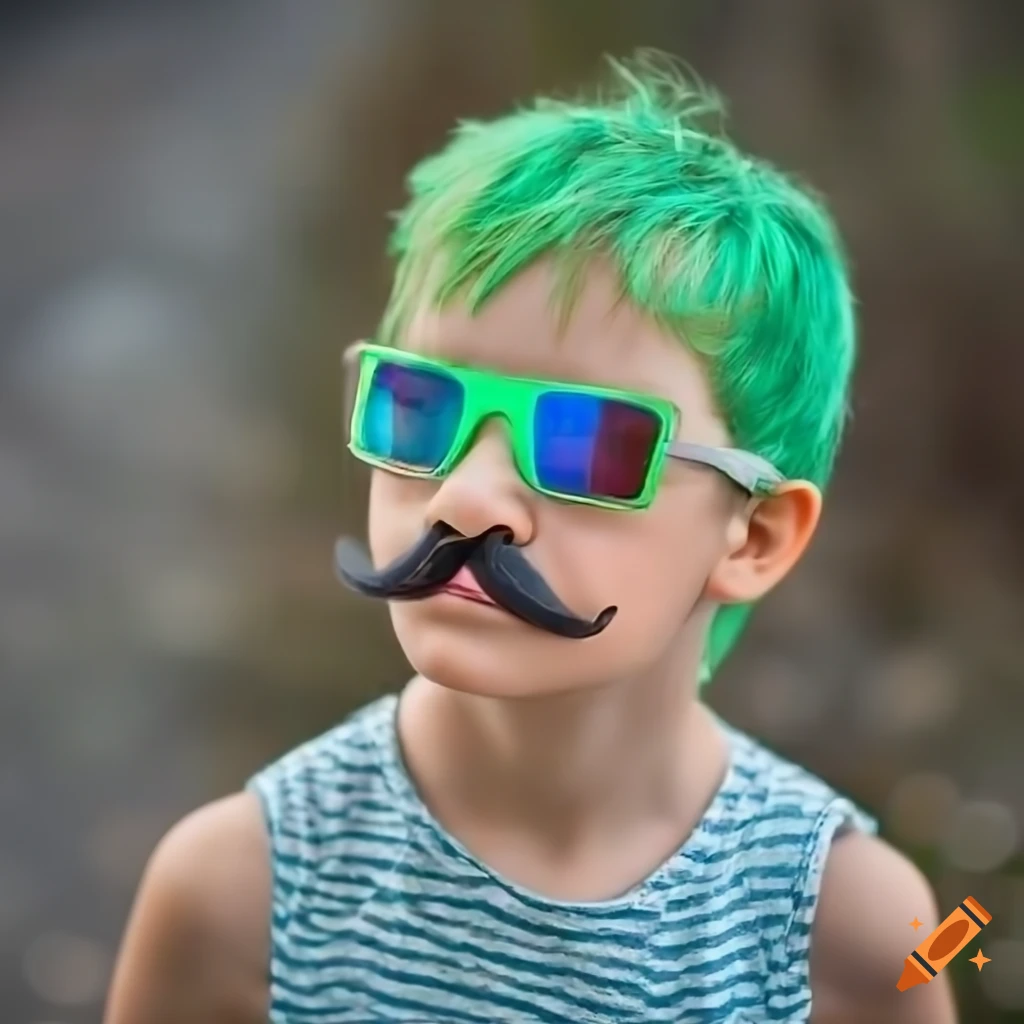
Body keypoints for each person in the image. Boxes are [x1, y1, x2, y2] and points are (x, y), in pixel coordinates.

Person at [104, 53, 957, 1024]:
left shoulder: (849, 932)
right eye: (419, 407)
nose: (465, 502)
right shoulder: (241, 896)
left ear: (754, 533)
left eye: (588, 444)